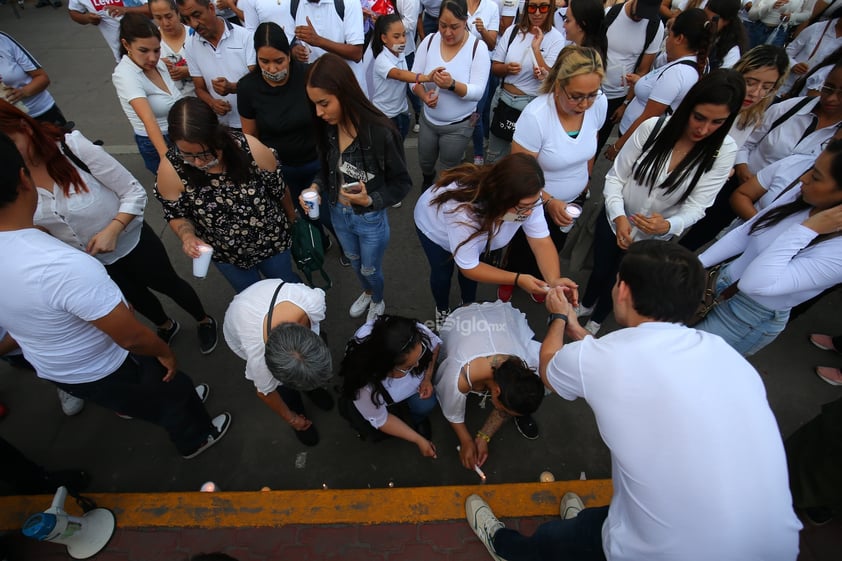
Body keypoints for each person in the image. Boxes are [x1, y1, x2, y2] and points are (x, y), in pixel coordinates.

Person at [466, 240, 801, 561]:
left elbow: (550, 368)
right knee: (598, 523)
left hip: (662, 551)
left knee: (556, 544)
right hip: (772, 544)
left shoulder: (606, 359)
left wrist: (556, 316)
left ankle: (506, 549)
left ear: (622, 291)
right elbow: (613, 358)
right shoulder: (724, 354)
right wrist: (577, 330)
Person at [0, 132, 231, 460]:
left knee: (146, 392)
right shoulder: (64, 265)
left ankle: (174, 390)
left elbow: (132, 191)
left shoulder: (71, 150)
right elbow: (133, 338)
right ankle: (197, 438)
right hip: (107, 360)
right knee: (167, 388)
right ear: (23, 180)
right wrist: (163, 352)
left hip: (64, 367)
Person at [0, 100, 218, 354]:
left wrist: (114, 229)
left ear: (25, 127)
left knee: (169, 284)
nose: (10, 156)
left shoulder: (72, 147)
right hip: (92, 262)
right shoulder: (13, 179)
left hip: (133, 242)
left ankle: (203, 319)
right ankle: (166, 325)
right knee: (136, 296)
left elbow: (134, 191)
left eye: (10, 144)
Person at [578, 70, 744, 335]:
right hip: (615, 218)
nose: (703, 129)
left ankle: (597, 319)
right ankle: (586, 304)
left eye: (717, 122)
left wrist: (667, 225)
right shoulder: (653, 128)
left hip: (653, 238)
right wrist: (619, 216)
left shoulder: (724, 151)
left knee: (625, 282)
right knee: (600, 269)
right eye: (699, 117)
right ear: (687, 107)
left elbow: (698, 207)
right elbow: (616, 178)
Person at [695, 139, 842, 356]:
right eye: (812, 169)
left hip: (744, 318)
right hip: (718, 280)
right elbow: (747, 232)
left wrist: (807, 229)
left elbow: (753, 283)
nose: (804, 178)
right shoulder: (803, 195)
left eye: (816, 176)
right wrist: (695, 266)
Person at [301, 54, 412, 322]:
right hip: (337, 213)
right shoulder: (327, 128)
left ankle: (377, 298)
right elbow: (325, 167)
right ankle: (366, 292)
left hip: (370, 218)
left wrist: (370, 200)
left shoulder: (381, 132)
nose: (318, 112)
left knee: (371, 268)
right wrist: (315, 186)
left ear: (345, 93)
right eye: (314, 104)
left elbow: (402, 183)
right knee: (353, 261)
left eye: (324, 103)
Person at [413, 153, 579, 326]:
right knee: (442, 273)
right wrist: (518, 279)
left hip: (475, 233)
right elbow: (469, 267)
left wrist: (554, 280)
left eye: (534, 203)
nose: (530, 212)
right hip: (434, 230)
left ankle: (467, 305)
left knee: (473, 275)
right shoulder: (464, 212)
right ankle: (442, 308)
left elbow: (541, 242)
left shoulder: (528, 199)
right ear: (501, 197)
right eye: (523, 207)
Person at [155, 97, 301, 293]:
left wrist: (292, 218)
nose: (197, 163)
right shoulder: (170, 169)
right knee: (252, 299)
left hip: (272, 242)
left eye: (204, 154)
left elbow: (279, 190)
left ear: (218, 138)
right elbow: (176, 213)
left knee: (286, 289)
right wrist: (187, 236)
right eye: (187, 155)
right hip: (227, 256)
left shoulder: (251, 149)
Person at [500, 46, 605, 302]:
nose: (585, 104)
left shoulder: (598, 104)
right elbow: (519, 172)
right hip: (532, 199)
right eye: (577, 96)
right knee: (524, 243)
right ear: (558, 85)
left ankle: (543, 278)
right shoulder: (536, 117)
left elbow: (591, 142)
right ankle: (511, 277)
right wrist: (548, 201)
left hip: (571, 201)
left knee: (555, 242)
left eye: (592, 95)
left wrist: (586, 180)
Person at [677, 45, 789, 250]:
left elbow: (741, 145)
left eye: (767, 87)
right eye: (751, 82)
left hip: (712, 185)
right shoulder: (714, 96)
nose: (756, 93)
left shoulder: (756, 113)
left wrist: (732, 165)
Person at [237, 22, 335, 251]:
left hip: (316, 162)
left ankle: (346, 246)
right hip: (281, 169)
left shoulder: (309, 75)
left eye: (278, 60)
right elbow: (250, 136)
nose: (272, 68)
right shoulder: (247, 88)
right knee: (303, 214)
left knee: (330, 212)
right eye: (264, 61)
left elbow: (327, 119)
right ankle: (319, 242)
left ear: (289, 55)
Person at [223, 279, 334, 446]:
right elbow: (266, 393)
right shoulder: (260, 362)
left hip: (263, 298)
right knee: (286, 393)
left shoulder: (312, 301)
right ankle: (298, 410)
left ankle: (312, 388)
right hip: (242, 320)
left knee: (307, 369)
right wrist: (293, 418)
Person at [436, 302, 546, 467]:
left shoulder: (528, 364)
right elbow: (452, 410)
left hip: (497, 319)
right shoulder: (460, 378)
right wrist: (466, 441)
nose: (501, 413)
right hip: (463, 319)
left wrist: (483, 437)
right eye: (503, 410)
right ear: (496, 390)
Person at [605, 8, 709, 161]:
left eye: (670, 33)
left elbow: (649, 116)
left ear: (679, 38)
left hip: (636, 143)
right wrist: (639, 82)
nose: (667, 39)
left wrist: (617, 146)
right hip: (638, 140)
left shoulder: (677, 73)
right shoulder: (694, 64)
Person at [412, 0, 491, 188]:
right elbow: (413, 79)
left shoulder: (477, 49)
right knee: (425, 161)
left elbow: (478, 92)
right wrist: (424, 96)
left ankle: (442, 192)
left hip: (459, 125)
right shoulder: (429, 41)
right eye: (443, 25)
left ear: (465, 21)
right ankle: (427, 180)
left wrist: (452, 85)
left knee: (449, 167)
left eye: (454, 27)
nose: (447, 32)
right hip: (428, 120)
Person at [339, 315, 441, 456]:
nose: (418, 365)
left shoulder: (412, 334)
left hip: (415, 389)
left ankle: (418, 419)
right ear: (385, 367)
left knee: (425, 404)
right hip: (385, 399)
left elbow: (434, 347)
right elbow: (382, 420)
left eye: (420, 354)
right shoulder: (363, 384)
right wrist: (418, 440)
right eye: (409, 366)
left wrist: (427, 378)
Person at [484, 0, 566, 163]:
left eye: (543, 7)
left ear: (550, 10)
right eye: (532, 7)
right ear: (526, 8)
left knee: (521, 161)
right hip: (503, 100)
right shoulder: (513, 31)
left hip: (531, 105)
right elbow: (495, 67)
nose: (537, 12)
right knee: (494, 158)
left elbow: (550, 77)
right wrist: (507, 68)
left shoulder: (556, 38)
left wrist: (536, 49)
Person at [112, 14, 182, 175]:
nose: (153, 58)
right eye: (143, 50)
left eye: (156, 50)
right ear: (126, 44)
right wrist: (166, 158)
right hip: (157, 141)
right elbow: (148, 119)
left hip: (179, 133)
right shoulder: (125, 75)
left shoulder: (160, 64)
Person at [595, 0, 665, 156]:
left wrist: (625, 104)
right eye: (639, 11)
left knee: (598, 142)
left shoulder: (655, 26)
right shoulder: (611, 14)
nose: (641, 17)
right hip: (593, 89)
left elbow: (643, 70)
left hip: (617, 97)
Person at [177, 0, 255, 129]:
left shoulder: (245, 37)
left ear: (211, 8)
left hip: (253, 123)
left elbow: (257, 83)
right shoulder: (190, 46)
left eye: (197, 15)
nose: (193, 24)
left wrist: (233, 87)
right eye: (187, 19)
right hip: (222, 126)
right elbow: (199, 88)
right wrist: (212, 103)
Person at [370, 14, 443, 139]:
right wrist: (426, 78)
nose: (403, 40)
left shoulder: (400, 53)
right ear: (384, 38)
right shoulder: (382, 60)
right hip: (385, 117)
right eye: (396, 36)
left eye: (404, 35)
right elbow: (399, 74)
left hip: (401, 112)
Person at [0, 32, 68, 127]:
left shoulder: (3, 40)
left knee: (63, 140)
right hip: (8, 124)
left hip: (41, 112)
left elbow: (42, 78)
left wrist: (22, 92)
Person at [68, 0, 151, 63]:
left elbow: (153, 8)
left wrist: (126, 10)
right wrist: (88, 18)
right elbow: (74, 12)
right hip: (123, 57)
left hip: (151, 48)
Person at [150, 0, 196, 98]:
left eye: (169, 16)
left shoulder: (195, 35)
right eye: (158, 18)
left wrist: (191, 71)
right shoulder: (151, 44)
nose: (165, 23)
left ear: (178, 12)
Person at [704, 0, 748, 69]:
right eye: (704, 16)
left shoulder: (732, 52)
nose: (706, 22)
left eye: (711, 21)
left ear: (726, 21)